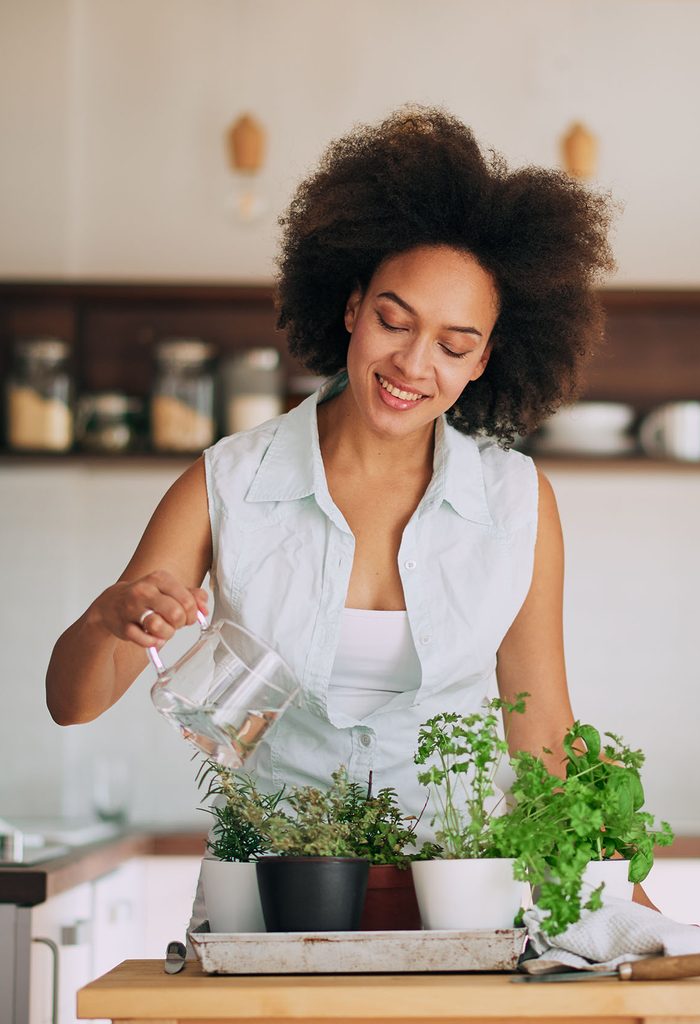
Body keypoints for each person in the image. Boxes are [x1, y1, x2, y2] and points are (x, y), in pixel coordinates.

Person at [46, 106, 634, 893]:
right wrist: (107, 616)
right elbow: (72, 704)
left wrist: (624, 904)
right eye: (394, 320)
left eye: (454, 345)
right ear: (352, 308)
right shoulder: (228, 483)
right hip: (267, 896)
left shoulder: (518, 504)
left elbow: (545, 738)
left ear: (485, 360)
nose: (413, 363)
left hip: (455, 899)